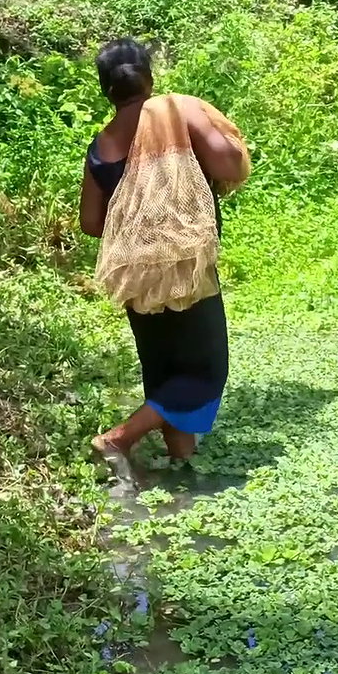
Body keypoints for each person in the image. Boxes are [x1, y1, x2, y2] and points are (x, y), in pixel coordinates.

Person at [80, 38, 248, 484]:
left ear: (106, 90)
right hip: (185, 269)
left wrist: (136, 211)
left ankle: (181, 464)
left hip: (136, 276)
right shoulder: (179, 112)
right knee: (205, 372)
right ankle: (117, 438)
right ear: (149, 78)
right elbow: (230, 166)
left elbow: (93, 223)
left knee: (164, 368)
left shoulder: (102, 145)